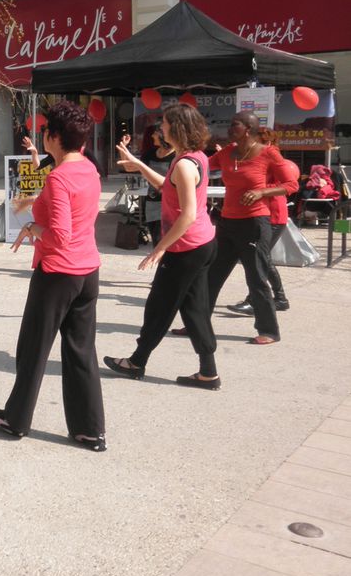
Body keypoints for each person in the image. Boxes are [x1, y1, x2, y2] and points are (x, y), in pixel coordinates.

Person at [0, 101, 105, 451]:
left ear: (54, 136)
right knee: (81, 351)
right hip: (87, 271)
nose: (42, 135)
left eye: (46, 131)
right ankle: (90, 430)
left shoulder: (59, 178)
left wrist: (32, 226)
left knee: (33, 349)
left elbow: (59, 235)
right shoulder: (89, 169)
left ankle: (16, 419)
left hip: (58, 273)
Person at [103, 104, 220, 389]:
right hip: (202, 243)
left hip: (186, 247)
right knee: (194, 309)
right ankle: (208, 372)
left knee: (159, 307)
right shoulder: (194, 157)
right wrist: (140, 164)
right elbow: (167, 188)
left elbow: (188, 215)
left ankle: (136, 362)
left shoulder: (183, 163)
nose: (161, 128)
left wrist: (160, 248)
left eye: (165, 124)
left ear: (177, 128)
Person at [196, 111, 298, 345]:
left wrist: (262, 192)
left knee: (257, 278)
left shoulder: (268, 153)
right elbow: (201, 167)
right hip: (227, 222)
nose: (230, 128)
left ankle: (269, 330)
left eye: (235, 125)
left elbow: (291, 184)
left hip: (254, 223)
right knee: (211, 275)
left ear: (249, 129)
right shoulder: (227, 152)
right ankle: (197, 323)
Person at [229, 129, 297, 315]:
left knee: (259, 259)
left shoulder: (271, 158)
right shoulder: (255, 156)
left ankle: (258, 300)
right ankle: (279, 299)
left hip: (273, 214)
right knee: (261, 259)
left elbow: (287, 185)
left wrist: (258, 189)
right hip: (265, 214)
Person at [137, 124, 175, 244]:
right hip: (151, 203)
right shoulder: (150, 153)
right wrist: (124, 151)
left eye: (155, 133)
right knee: (156, 238)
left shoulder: (177, 156)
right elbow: (130, 168)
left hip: (168, 204)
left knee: (164, 241)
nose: (152, 136)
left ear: (162, 135)